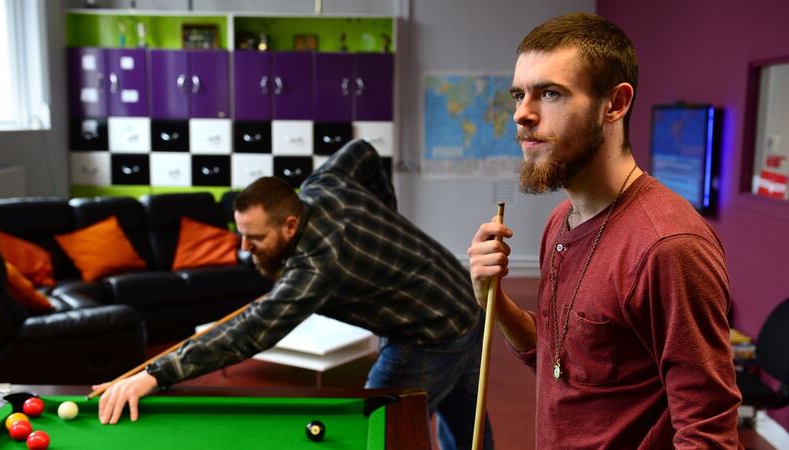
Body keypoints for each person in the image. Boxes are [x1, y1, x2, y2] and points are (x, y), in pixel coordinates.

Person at [94, 139, 494, 450]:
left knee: (379, 429)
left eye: (255, 238)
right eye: (241, 234)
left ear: (289, 225)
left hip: (430, 332)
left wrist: (156, 374)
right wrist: (386, 214)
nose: (244, 248)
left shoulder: (317, 265)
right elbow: (362, 151)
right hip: (464, 297)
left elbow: (250, 332)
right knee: (467, 426)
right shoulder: (322, 184)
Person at [468, 12, 741, 449]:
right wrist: (494, 301)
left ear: (614, 103)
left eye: (550, 93)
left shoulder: (669, 246)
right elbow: (559, 361)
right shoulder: (561, 219)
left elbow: (708, 435)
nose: (521, 114)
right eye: (519, 94)